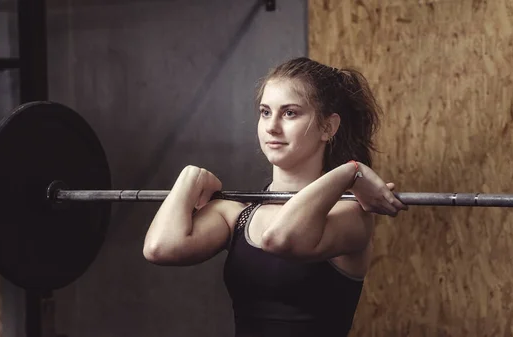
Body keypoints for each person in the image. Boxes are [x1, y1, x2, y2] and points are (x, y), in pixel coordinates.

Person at [143, 57, 407, 337]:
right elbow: (160, 248)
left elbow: (280, 238)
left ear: (328, 127)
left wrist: (349, 173)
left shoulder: (350, 215)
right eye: (265, 112)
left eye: (290, 113)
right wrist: (190, 177)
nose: (272, 126)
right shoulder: (236, 215)